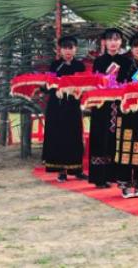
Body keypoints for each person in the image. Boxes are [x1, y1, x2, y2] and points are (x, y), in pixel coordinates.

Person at [114, 32, 138, 199]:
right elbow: (116, 85)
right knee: (126, 146)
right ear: (131, 48)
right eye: (136, 45)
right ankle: (124, 184)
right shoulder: (123, 64)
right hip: (127, 112)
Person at [42, 36, 87, 181]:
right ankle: (61, 170)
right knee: (58, 136)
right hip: (57, 106)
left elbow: (84, 85)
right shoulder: (55, 65)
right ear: (59, 50)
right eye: (65, 48)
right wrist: (55, 89)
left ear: (75, 49)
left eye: (71, 48)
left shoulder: (80, 66)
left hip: (73, 105)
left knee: (74, 136)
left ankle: (77, 169)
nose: (68, 51)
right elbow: (47, 85)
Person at [90, 28, 130, 188]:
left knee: (117, 139)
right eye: (110, 39)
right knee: (101, 138)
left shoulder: (127, 62)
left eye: (117, 39)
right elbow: (95, 83)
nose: (113, 42)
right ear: (104, 42)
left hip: (120, 106)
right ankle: (100, 178)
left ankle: (115, 176)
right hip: (102, 105)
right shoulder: (98, 61)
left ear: (121, 42)